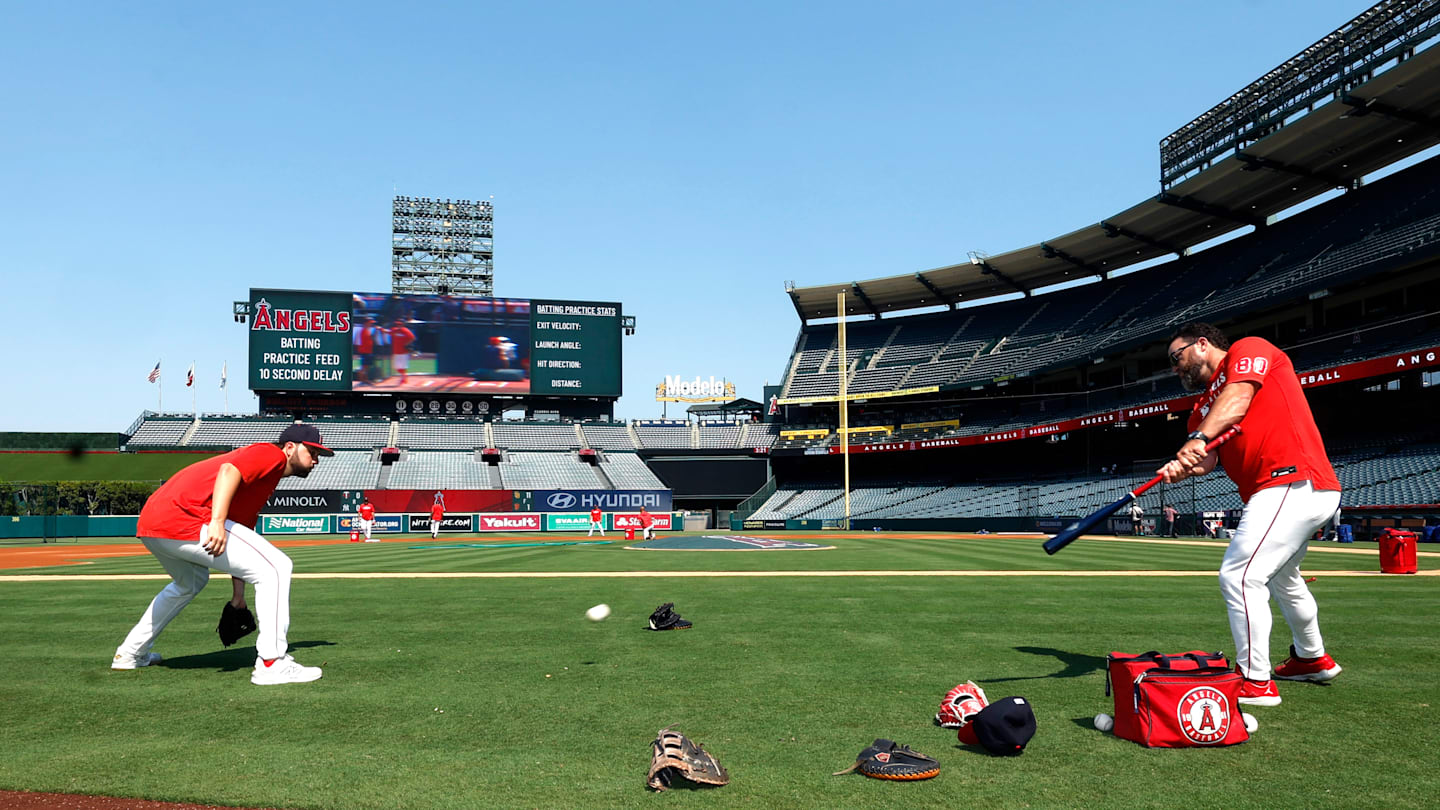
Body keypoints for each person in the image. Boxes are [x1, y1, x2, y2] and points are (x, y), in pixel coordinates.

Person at [1157, 323, 1343, 707]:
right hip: (1287, 492)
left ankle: (1255, 682)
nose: (1175, 368)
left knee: (1239, 575)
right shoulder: (1199, 410)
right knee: (1282, 579)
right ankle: (1312, 658)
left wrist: (1196, 440)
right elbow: (1206, 461)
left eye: (1178, 357)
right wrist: (1181, 466)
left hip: (1290, 481)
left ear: (1203, 344)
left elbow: (1239, 397)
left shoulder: (1248, 349)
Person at [112, 423, 334, 685]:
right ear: (289, 448)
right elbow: (229, 470)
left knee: (190, 582)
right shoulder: (270, 454)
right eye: (312, 451)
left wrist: (238, 596)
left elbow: (242, 538)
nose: (316, 460)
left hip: (155, 523)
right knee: (277, 567)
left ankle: (129, 653)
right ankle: (272, 663)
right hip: (189, 517)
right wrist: (216, 521)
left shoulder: (263, 483)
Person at [390, 318, 417, 385]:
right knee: (396, 367)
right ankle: (404, 376)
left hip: (403, 352)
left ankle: (403, 378)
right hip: (396, 351)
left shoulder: (406, 331)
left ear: (403, 324)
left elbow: (413, 338)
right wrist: (380, 329)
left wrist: (407, 343)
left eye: (400, 324)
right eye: (397, 324)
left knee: (403, 366)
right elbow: (388, 332)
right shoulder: (394, 330)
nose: (398, 325)